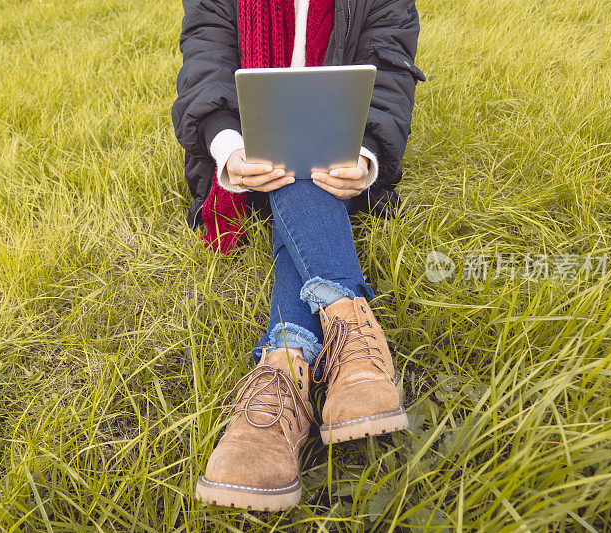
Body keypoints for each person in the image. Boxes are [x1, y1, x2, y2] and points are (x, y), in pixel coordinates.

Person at [171, 0, 424, 511]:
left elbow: (391, 72)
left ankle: (285, 369)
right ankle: (348, 325)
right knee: (286, 155)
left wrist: (368, 154)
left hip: (341, 155)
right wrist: (227, 147)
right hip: (247, 150)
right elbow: (206, 61)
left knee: (305, 157)